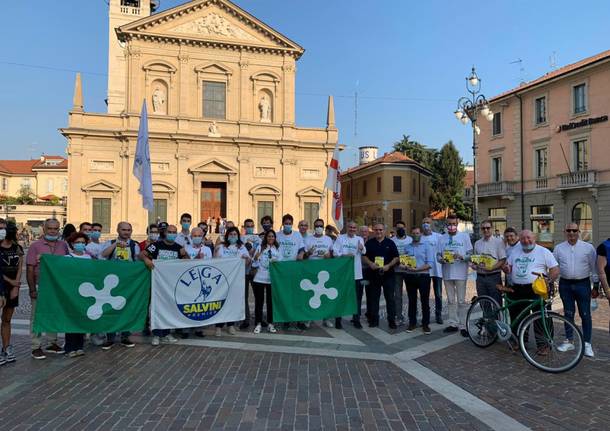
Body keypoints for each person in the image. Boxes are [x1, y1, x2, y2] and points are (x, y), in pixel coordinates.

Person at [506, 230, 559, 352]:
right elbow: (508, 266)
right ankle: (519, 341)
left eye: (528, 238)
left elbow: (555, 269)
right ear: (520, 239)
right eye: (523, 238)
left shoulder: (543, 251)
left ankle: (544, 345)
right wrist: (507, 268)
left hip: (537, 288)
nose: (526, 240)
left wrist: (548, 281)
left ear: (534, 238)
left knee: (542, 317)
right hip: (518, 288)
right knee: (518, 316)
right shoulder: (515, 251)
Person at [26, 218, 69, 359]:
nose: (53, 231)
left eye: (56, 228)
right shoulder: (35, 246)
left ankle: (52, 343)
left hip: (56, 288)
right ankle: (35, 346)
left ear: (59, 229)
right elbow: (30, 268)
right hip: (41, 285)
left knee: (54, 314)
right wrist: (32, 289)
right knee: (36, 316)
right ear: (44, 229)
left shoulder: (63, 245)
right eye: (50, 228)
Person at [554, 223, 598, 357]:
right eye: (569, 230)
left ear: (578, 232)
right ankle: (569, 340)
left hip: (583, 284)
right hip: (565, 285)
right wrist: (552, 281)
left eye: (574, 230)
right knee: (568, 313)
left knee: (585, 314)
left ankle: (587, 344)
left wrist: (595, 285)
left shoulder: (588, 248)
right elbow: (554, 267)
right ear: (565, 232)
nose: (571, 233)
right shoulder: (559, 248)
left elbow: (594, 267)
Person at [141, 224, 186, 345]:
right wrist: (147, 260)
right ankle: (156, 334)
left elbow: (186, 261)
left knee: (169, 308)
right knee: (156, 308)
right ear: (165, 233)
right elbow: (142, 254)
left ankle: (166, 334)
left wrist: (185, 254)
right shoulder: (156, 245)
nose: (172, 234)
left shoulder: (179, 248)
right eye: (170, 232)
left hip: (171, 283)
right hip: (157, 283)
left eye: (174, 232)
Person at [100, 222, 140, 349]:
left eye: (128, 230)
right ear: (118, 230)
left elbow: (137, 262)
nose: (126, 232)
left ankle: (125, 336)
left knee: (127, 309)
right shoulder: (109, 243)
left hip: (128, 283)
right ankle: (110, 338)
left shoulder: (135, 245)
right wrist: (115, 246)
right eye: (123, 229)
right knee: (111, 309)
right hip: (112, 283)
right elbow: (103, 255)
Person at [437, 214, 472, 337]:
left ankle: (463, 325)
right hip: (447, 273)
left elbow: (470, 254)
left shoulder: (464, 236)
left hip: (461, 273)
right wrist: (441, 259)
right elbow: (438, 255)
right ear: (446, 225)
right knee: (451, 300)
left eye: (454, 224)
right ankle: (453, 323)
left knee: (461, 301)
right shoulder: (441, 238)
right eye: (449, 224)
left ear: (457, 224)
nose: (451, 226)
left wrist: (462, 257)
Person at [214, 226, 251, 336]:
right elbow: (216, 261)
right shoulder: (222, 247)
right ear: (227, 236)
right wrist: (215, 252)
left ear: (238, 236)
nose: (233, 236)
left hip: (236, 280)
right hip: (222, 280)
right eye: (231, 234)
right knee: (221, 302)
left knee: (232, 303)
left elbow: (247, 263)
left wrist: (247, 259)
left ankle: (231, 325)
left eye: (235, 234)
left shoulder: (241, 247)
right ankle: (218, 327)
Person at [363, 223, 399, 329]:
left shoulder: (390, 243)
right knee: (373, 299)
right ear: (373, 230)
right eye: (376, 230)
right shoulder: (369, 243)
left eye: (380, 230)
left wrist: (388, 265)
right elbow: (363, 256)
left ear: (384, 231)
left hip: (388, 275)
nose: (378, 232)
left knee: (390, 299)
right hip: (373, 275)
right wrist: (370, 264)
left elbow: (396, 257)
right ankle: (374, 320)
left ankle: (391, 320)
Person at [333, 221, 366, 329]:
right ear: (347, 227)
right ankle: (338, 320)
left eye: (354, 228)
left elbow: (364, 252)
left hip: (356, 273)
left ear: (356, 229)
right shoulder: (340, 238)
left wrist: (362, 248)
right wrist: (344, 255)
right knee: (341, 296)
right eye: (350, 227)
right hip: (343, 273)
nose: (352, 229)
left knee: (357, 298)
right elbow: (335, 252)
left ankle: (356, 319)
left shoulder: (359, 239)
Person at [63, 232, 92, 357]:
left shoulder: (89, 258)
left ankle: (79, 346)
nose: (80, 244)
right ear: (72, 244)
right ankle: (69, 347)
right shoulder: (67, 258)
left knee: (81, 320)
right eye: (77, 242)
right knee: (70, 320)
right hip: (71, 294)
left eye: (82, 242)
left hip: (84, 293)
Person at [305, 218, 337, 327]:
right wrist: (308, 253)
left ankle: (326, 318)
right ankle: (308, 318)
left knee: (325, 295)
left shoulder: (328, 239)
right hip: (311, 270)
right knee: (310, 295)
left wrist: (330, 256)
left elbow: (334, 254)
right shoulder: (308, 239)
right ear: (314, 228)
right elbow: (302, 256)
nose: (319, 228)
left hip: (325, 271)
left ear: (323, 228)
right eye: (317, 226)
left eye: (321, 226)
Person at [276, 214, 306, 330]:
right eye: (286, 223)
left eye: (290, 223)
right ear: (282, 224)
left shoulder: (297, 235)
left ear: (292, 224)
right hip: (281, 269)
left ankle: (298, 319)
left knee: (296, 295)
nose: (288, 225)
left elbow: (302, 249)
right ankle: (286, 319)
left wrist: (301, 254)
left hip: (294, 269)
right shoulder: (277, 235)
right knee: (285, 295)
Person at [0, 221, 24, 364]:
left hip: (12, 287)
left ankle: (6, 348)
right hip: (2, 284)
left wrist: (16, 285)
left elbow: (20, 266)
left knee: (7, 319)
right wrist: (11, 281)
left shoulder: (17, 248)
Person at [402, 227, 432, 334]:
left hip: (423, 276)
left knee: (425, 301)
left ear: (421, 234)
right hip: (410, 277)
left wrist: (418, 269)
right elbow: (403, 262)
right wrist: (405, 267)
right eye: (414, 233)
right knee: (412, 300)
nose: (416, 235)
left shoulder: (427, 247)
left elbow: (430, 264)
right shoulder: (407, 247)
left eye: (418, 233)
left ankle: (425, 324)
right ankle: (412, 323)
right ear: (411, 234)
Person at [470, 219, 506, 307]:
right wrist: (474, 265)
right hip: (480, 278)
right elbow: (475, 259)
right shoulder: (477, 243)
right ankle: (487, 320)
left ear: (492, 228)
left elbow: (503, 259)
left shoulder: (498, 242)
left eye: (488, 228)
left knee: (497, 303)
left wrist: (491, 268)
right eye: (483, 228)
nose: (485, 230)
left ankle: (497, 321)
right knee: (484, 303)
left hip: (494, 276)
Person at [252, 230, 280, 334]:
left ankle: (270, 323)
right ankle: (258, 323)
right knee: (259, 302)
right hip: (259, 278)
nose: (271, 238)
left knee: (270, 302)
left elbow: (280, 262)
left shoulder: (277, 248)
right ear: (266, 238)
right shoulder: (260, 247)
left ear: (275, 238)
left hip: (272, 279)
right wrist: (256, 257)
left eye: (273, 236)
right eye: (269, 236)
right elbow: (254, 263)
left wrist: (276, 261)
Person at [421, 217, 444, 324]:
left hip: (437, 270)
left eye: (428, 222)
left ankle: (438, 314)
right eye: (424, 223)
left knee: (438, 294)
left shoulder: (439, 237)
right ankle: (426, 316)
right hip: (424, 271)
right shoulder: (419, 238)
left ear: (432, 224)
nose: (426, 224)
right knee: (424, 295)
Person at [240, 219, 261, 330]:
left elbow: (261, 252)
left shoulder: (258, 238)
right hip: (243, 271)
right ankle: (246, 320)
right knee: (244, 296)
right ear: (244, 226)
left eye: (251, 226)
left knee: (258, 296)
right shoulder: (240, 239)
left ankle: (259, 318)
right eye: (247, 226)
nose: (250, 227)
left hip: (254, 271)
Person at [391, 220, 412, 325]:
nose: (400, 229)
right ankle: (399, 317)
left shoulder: (410, 240)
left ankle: (412, 317)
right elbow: (390, 255)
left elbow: (414, 254)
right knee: (398, 295)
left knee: (411, 294)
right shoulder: (392, 240)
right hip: (396, 271)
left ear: (405, 228)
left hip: (408, 271)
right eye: (398, 228)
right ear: (395, 229)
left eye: (402, 228)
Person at [358, 225, 373, 323]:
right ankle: (357, 315)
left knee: (370, 293)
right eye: (362, 231)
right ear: (359, 232)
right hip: (358, 271)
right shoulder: (356, 241)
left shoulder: (371, 242)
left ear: (368, 233)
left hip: (369, 271)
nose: (364, 233)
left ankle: (369, 314)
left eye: (366, 231)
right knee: (358, 293)